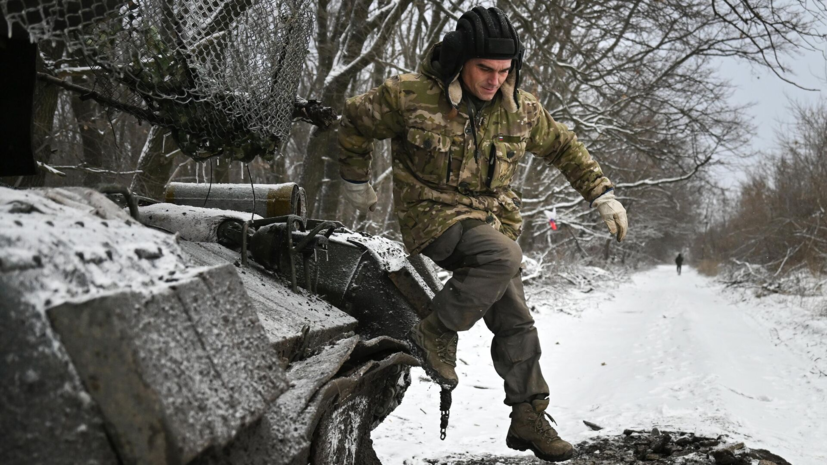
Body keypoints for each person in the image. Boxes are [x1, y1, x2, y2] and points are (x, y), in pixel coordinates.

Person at [337, 6, 628, 462]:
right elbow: (354, 120)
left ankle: (528, 415)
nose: (495, 81)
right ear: (460, 62)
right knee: (502, 256)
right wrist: (356, 178)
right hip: (433, 217)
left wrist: (602, 194)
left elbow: (565, 148)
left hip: (492, 223)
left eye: (504, 71)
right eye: (485, 70)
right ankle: (435, 330)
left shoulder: (521, 110)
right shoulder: (411, 96)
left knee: (516, 318)